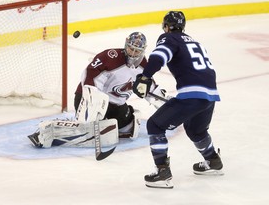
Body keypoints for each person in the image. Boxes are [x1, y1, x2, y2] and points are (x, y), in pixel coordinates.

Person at [133, 11, 223, 189]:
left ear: (166, 26)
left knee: (155, 125)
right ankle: (213, 161)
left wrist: (145, 78)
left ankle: (162, 172)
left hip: (192, 94)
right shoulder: (195, 42)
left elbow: (159, 57)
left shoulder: (169, 38)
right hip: (210, 95)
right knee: (196, 130)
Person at [28, 32, 165, 149]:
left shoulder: (144, 66)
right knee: (86, 129)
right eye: (131, 48)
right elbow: (90, 73)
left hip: (116, 105)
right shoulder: (111, 57)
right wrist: (95, 99)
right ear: (126, 44)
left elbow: (149, 88)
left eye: (137, 51)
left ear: (143, 51)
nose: (133, 53)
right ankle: (49, 129)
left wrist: (168, 106)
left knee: (129, 129)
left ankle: (94, 125)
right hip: (89, 98)